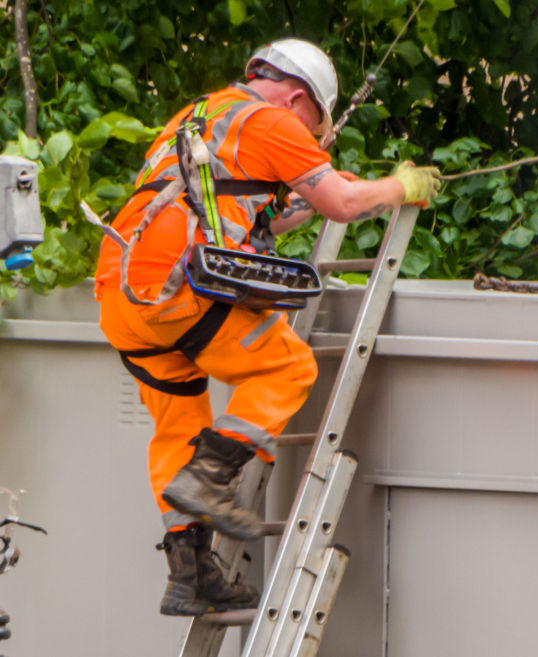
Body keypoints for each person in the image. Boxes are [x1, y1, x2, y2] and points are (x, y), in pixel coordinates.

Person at [93, 39, 440, 616]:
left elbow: (257, 205)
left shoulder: (200, 115)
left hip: (123, 293)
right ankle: (209, 479)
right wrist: (399, 189)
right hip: (181, 289)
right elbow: (342, 205)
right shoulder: (272, 120)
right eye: (317, 126)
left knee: (179, 426)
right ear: (299, 99)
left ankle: (190, 574)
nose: (313, 138)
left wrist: (332, 189)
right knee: (287, 367)